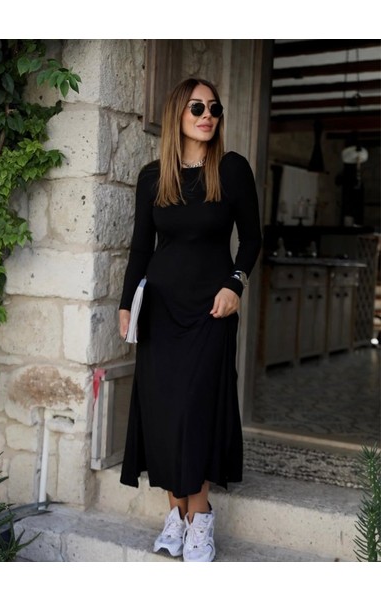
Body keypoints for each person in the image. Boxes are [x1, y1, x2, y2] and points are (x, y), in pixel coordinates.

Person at [118, 77, 262, 562]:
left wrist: (235, 284)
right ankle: (176, 515)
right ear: (178, 112)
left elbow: (253, 239)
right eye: (198, 107)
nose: (208, 116)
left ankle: (199, 517)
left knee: (196, 410)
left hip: (210, 310)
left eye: (214, 108)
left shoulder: (232, 170)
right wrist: (125, 305)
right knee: (163, 412)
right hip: (160, 309)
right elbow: (141, 248)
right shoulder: (152, 177)